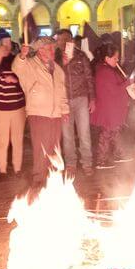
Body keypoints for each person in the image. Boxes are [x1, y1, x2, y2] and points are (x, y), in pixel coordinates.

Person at [13, 36, 69, 184]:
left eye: (52, 47)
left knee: (54, 147)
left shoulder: (57, 69)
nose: (53, 50)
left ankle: (53, 179)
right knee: (40, 149)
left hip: (55, 114)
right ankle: (39, 180)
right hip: (38, 113)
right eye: (49, 47)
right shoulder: (29, 65)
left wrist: (64, 109)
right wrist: (22, 55)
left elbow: (61, 91)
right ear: (40, 50)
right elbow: (17, 68)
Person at [0, 30, 26, 179]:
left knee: (17, 140)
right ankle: (2, 170)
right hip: (0, 108)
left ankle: (17, 168)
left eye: (9, 42)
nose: (7, 46)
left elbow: (25, 78)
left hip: (18, 107)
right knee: (2, 142)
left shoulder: (16, 60)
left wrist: (15, 80)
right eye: (4, 43)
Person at [56, 28, 95, 175]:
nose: (61, 43)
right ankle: (71, 163)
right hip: (64, 101)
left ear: (70, 40)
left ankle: (87, 163)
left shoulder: (81, 56)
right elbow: (53, 77)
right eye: (59, 40)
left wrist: (93, 99)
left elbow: (89, 78)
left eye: (64, 39)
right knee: (67, 135)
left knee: (84, 133)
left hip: (81, 99)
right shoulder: (55, 58)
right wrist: (63, 63)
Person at [91, 42, 132, 168]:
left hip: (112, 108)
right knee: (108, 133)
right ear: (107, 58)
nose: (117, 60)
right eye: (115, 58)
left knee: (115, 131)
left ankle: (119, 154)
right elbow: (114, 90)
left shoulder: (107, 69)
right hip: (109, 109)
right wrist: (128, 82)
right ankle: (101, 160)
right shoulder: (105, 71)